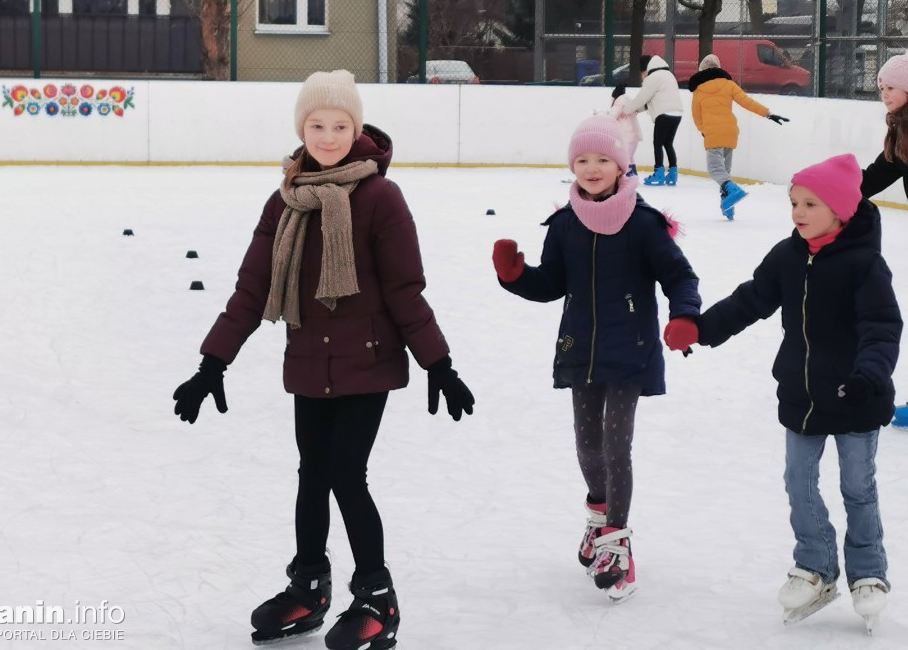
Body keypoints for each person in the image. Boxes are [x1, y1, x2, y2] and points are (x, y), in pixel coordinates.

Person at [171, 70, 475, 650]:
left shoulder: (382, 197)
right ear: (301, 129)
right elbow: (252, 288)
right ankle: (309, 585)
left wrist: (440, 363)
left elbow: (405, 290)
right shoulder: (285, 202)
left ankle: (378, 598)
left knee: (344, 473)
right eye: (317, 125)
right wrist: (213, 364)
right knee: (312, 476)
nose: (329, 136)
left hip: (369, 360)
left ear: (357, 128)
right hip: (309, 360)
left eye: (340, 125)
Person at [666, 154, 901, 631]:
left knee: (858, 487)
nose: (798, 212)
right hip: (802, 394)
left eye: (811, 204)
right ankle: (815, 567)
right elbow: (749, 300)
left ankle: (868, 573)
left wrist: (870, 376)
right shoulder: (787, 256)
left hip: (856, 394)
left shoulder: (865, 265)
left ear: (841, 211)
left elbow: (881, 328)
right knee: (799, 483)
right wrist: (701, 329)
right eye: (794, 202)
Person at [492, 115, 701, 603]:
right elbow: (551, 285)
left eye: (602, 159)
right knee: (587, 445)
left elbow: (680, 277)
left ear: (621, 165)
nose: (591, 167)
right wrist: (515, 275)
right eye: (582, 160)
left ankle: (617, 544)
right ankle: (598, 517)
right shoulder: (565, 223)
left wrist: (685, 315)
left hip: (630, 349)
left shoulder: (644, 224)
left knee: (614, 443)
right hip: (580, 347)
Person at [688, 53, 789, 220]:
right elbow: (747, 102)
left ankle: (732, 190)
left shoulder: (698, 90)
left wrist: (704, 131)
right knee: (725, 172)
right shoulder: (729, 85)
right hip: (730, 132)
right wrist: (768, 114)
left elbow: (696, 116)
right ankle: (728, 206)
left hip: (713, 133)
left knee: (715, 170)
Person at [620, 54, 684, 186]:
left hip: (663, 115)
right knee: (668, 144)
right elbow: (653, 99)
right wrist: (638, 109)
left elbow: (642, 98)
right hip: (677, 114)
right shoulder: (669, 75)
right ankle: (673, 173)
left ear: (645, 69)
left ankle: (658, 173)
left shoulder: (653, 77)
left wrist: (626, 110)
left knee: (658, 143)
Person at [862, 52, 908, 200]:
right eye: (882, 89)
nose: (884, 95)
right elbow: (874, 178)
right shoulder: (901, 135)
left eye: (890, 88)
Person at [608, 82, 641, 177]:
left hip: (626, 135)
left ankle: (626, 173)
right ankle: (633, 172)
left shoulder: (618, 103)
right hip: (634, 135)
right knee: (630, 155)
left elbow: (611, 117)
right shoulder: (630, 103)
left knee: (625, 156)